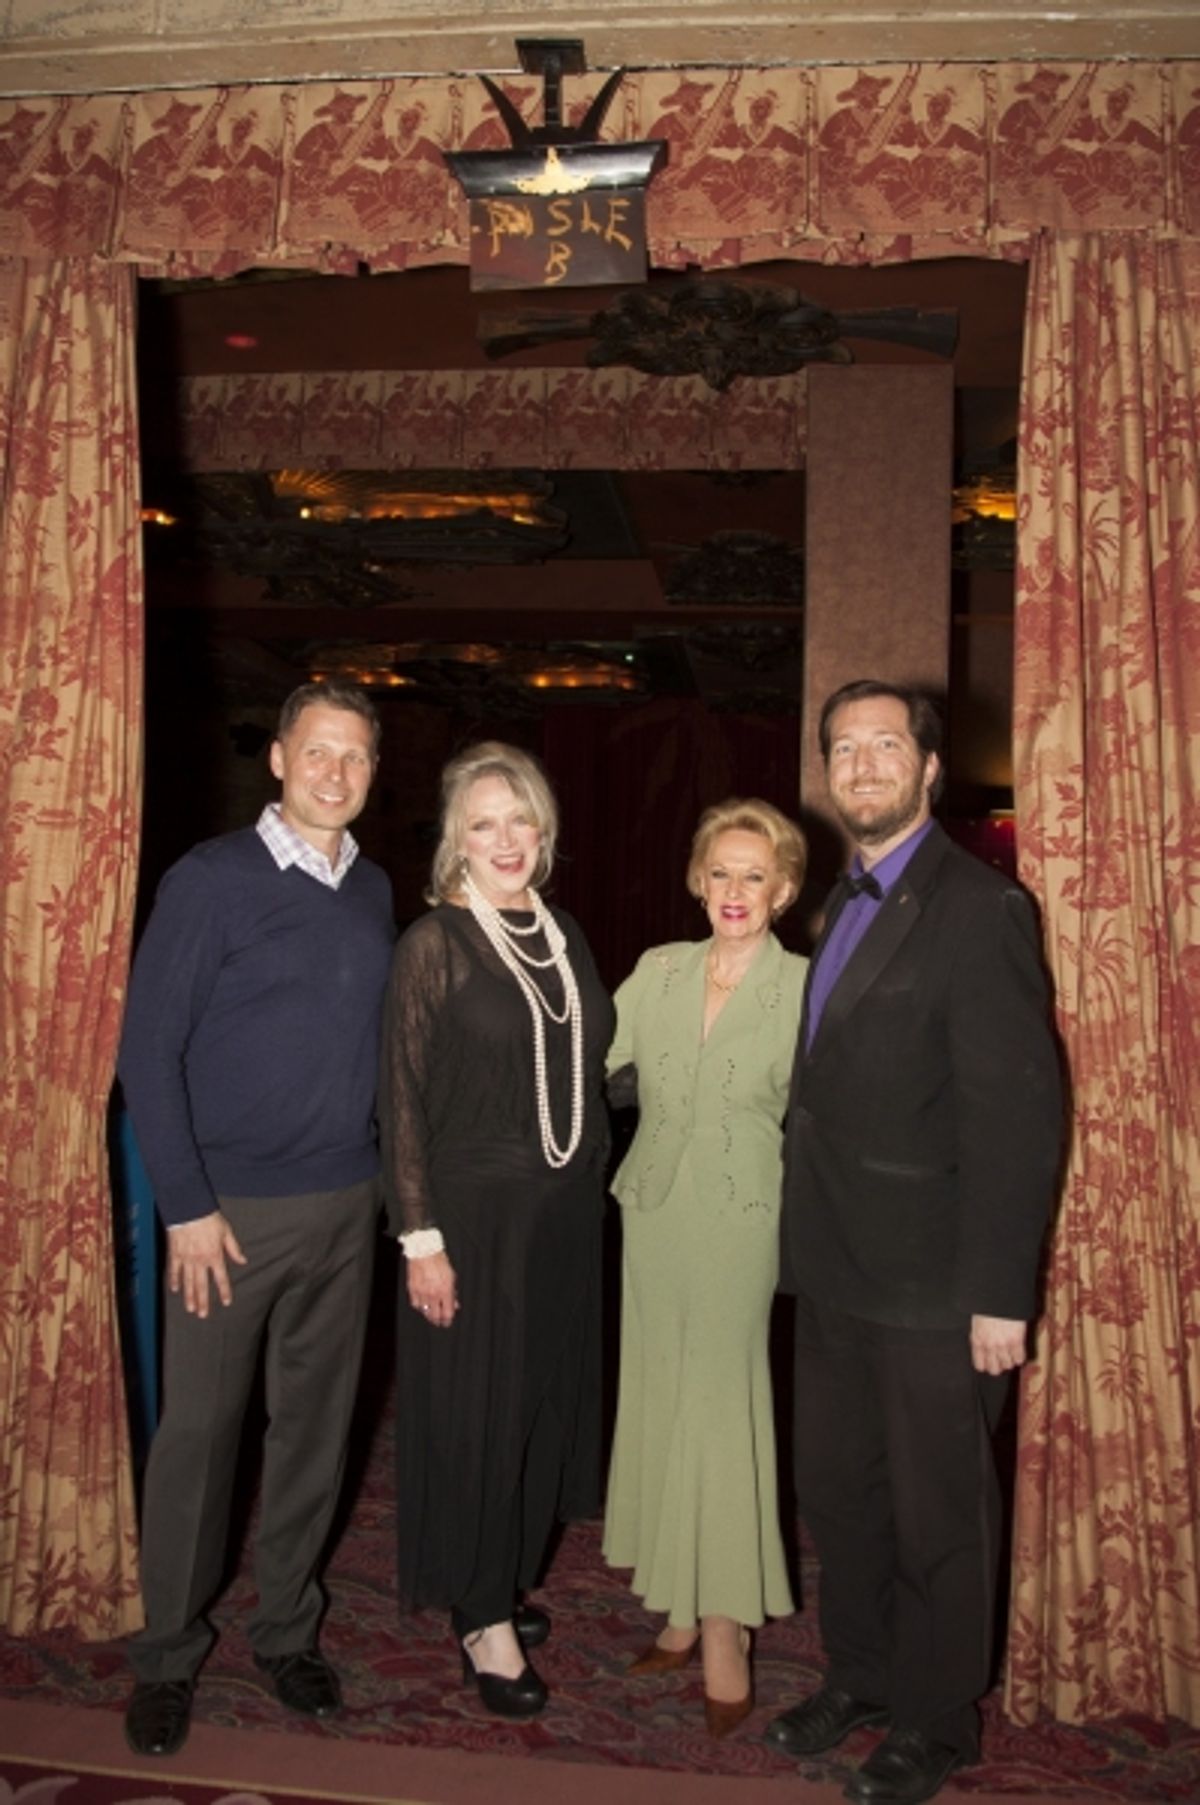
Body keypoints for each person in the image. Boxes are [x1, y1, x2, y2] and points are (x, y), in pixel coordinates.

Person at [767, 680, 1063, 1805]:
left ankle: (939, 1717)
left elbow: (1017, 1114)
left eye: (887, 742)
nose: (863, 762)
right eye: (844, 746)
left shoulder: (981, 908)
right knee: (840, 1493)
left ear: (931, 768)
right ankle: (864, 1673)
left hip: (939, 1281)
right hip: (834, 1267)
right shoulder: (840, 901)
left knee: (940, 1513)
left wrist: (1002, 1291)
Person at [117, 681, 395, 1759]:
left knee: (314, 1434)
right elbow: (150, 1050)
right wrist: (185, 1204)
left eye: (357, 755)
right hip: (225, 1216)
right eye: (318, 751)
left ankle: (287, 1631)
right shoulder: (213, 877)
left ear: (373, 768)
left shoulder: (371, 887)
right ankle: (168, 1654)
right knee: (199, 1438)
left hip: (343, 1206)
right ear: (278, 757)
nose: (336, 771)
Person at [380, 742, 613, 1718]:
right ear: (454, 841)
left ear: (544, 829)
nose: (506, 837)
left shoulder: (563, 933)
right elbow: (399, 1098)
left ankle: (504, 1575)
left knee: (534, 1409)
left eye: (521, 817)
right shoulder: (434, 942)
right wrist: (420, 1237)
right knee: (477, 1414)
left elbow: (592, 1068)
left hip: (561, 1221)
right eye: (484, 821)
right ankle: (480, 1611)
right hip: (472, 1219)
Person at [604, 799, 808, 1737]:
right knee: (664, 1393)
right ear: (696, 878)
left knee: (722, 1408)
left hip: (741, 1218)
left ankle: (726, 1626)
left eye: (754, 875)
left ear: (785, 889)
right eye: (720, 872)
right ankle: (679, 1608)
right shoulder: (657, 971)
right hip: (653, 1209)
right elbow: (585, 1065)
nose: (735, 891)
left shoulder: (807, 986)